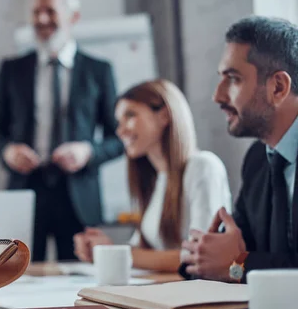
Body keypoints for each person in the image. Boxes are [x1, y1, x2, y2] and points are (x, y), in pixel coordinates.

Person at [0, 0, 124, 261]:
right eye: (36, 12)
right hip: (26, 189)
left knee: (80, 282)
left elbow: (119, 136)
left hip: (78, 195)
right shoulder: (12, 69)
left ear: (73, 17)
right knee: (18, 277)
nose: (41, 20)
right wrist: (8, 151)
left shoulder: (99, 71)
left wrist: (88, 152)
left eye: (50, 11)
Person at [181, 16, 298, 282]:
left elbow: (240, 263)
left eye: (233, 79)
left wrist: (236, 266)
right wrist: (202, 255)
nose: (217, 96)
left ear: (278, 87)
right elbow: (238, 256)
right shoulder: (258, 159)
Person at [74, 79, 232, 272]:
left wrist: (116, 252)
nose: (120, 131)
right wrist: (102, 249)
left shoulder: (202, 166)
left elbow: (199, 256)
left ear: (164, 116)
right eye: (118, 121)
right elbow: (144, 252)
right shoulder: (157, 178)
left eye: (130, 115)